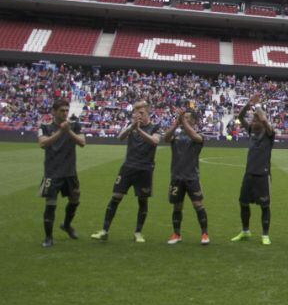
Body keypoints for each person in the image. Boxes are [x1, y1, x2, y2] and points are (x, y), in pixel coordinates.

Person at [91, 100, 160, 243]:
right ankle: (104, 230)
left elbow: (155, 141)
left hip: (145, 169)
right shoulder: (131, 126)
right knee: (116, 196)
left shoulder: (155, 127)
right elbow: (120, 137)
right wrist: (131, 128)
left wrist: (139, 130)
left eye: (142, 113)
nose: (138, 115)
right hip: (128, 167)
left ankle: (138, 232)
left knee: (142, 200)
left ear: (148, 113)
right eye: (137, 113)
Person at [38, 99, 86, 248]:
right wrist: (61, 131)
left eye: (67, 110)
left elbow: (82, 142)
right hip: (52, 172)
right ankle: (48, 238)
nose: (65, 113)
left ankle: (66, 224)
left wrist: (68, 131)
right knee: (51, 204)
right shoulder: (45, 127)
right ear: (54, 111)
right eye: (62, 111)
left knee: (75, 200)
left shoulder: (75, 125)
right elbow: (42, 143)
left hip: (70, 171)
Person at [230, 96, 275, 245]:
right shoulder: (251, 131)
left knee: (265, 206)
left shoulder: (269, 134)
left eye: (255, 120)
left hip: (263, 175)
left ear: (261, 122)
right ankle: (245, 231)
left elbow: (267, 124)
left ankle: (265, 234)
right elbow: (240, 116)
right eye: (253, 120)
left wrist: (260, 112)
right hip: (249, 174)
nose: (253, 122)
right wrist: (249, 104)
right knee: (243, 202)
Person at [165, 106, 210, 245]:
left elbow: (194, 136)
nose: (185, 119)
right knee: (177, 207)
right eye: (184, 117)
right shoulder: (177, 135)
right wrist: (175, 124)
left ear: (194, 122)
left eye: (188, 118)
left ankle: (204, 234)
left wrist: (182, 121)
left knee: (198, 205)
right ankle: (177, 234)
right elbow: (166, 138)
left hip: (192, 177)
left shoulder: (199, 136)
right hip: (176, 176)